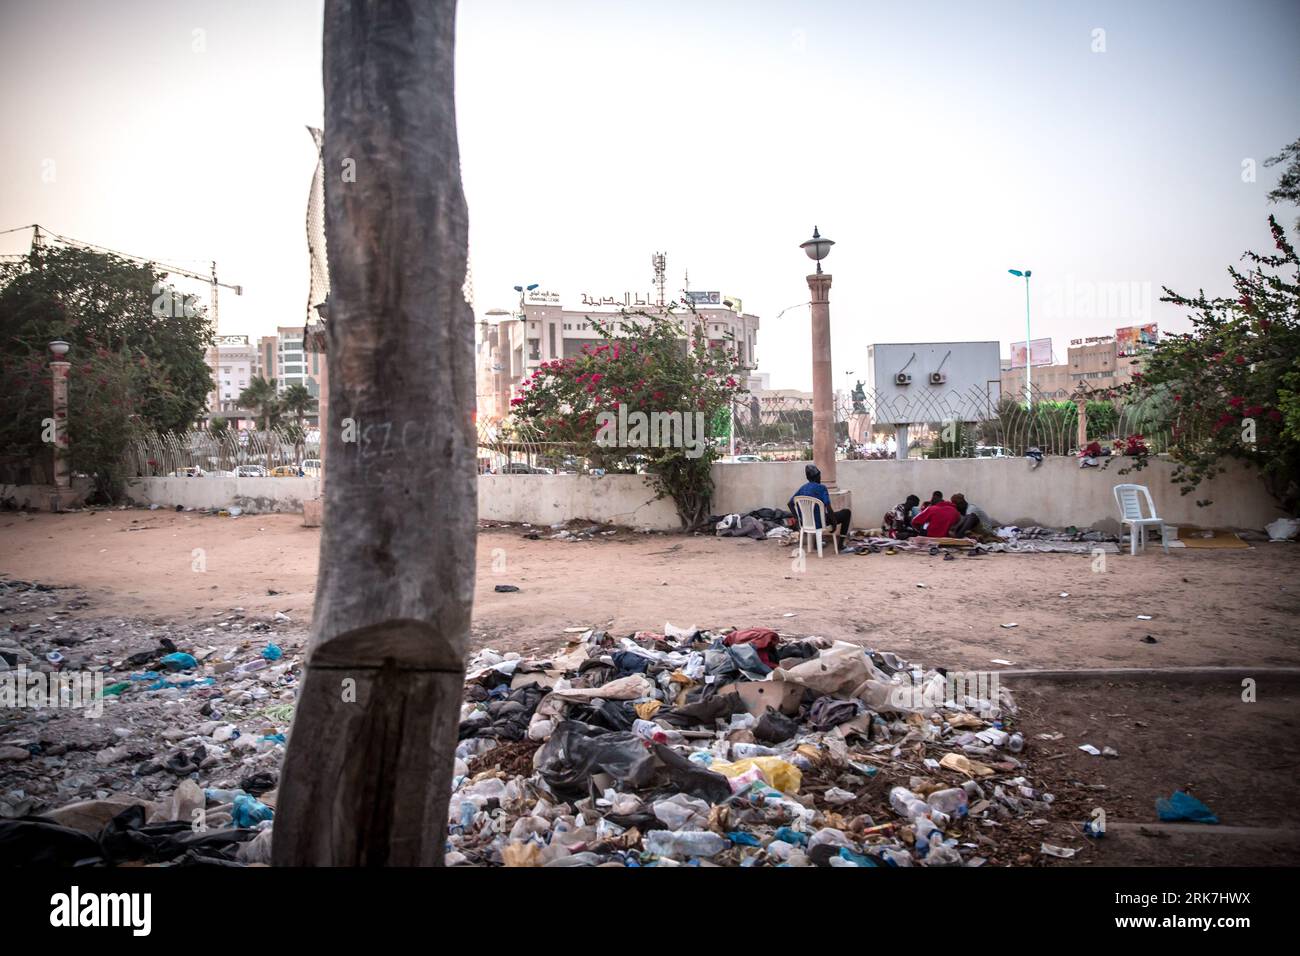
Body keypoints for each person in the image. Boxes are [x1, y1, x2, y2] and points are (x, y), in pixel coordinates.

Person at [788, 464, 852, 549]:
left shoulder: (802, 488)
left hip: (807, 523)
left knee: (819, 515)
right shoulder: (822, 488)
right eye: (819, 476)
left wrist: (799, 519)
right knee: (846, 513)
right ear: (817, 476)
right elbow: (828, 508)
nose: (820, 478)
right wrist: (834, 522)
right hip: (820, 522)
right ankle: (840, 545)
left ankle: (816, 544)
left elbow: (790, 504)